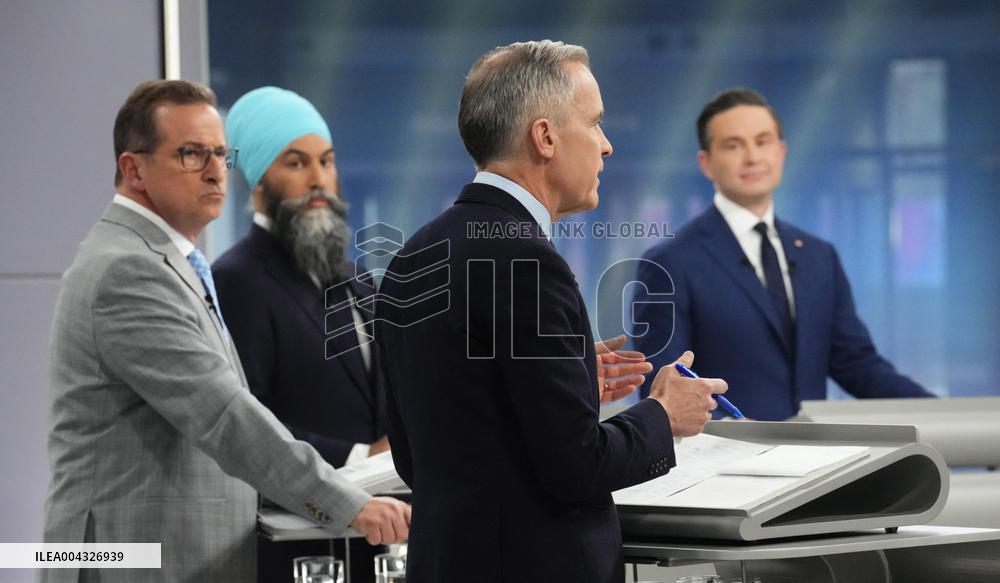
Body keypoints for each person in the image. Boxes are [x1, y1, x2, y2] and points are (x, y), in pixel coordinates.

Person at [374, 41, 727, 583]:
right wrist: (664, 415)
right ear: (545, 137)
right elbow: (577, 466)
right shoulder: (528, 262)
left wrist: (571, 381)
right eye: (595, 123)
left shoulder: (412, 256)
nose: (607, 146)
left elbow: (419, 456)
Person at [41, 80, 409, 583]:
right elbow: (223, 415)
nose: (215, 171)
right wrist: (348, 502)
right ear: (133, 169)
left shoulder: (166, 260)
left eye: (220, 154)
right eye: (191, 154)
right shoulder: (128, 269)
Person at [633, 87, 935, 421]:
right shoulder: (670, 263)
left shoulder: (819, 257)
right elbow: (662, 390)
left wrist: (944, 412)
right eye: (733, 145)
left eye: (762, 142)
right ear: (706, 163)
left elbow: (857, 364)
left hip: (813, 451)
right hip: (724, 451)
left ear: (781, 152)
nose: (752, 157)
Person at [213, 86, 388, 583]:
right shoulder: (237, 280)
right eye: (296, 163)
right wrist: (362, 458)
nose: (318, 180)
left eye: (326, 161)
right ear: (258, 180)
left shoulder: (357, 279)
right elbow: (246, 425)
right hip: (296, 549)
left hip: (379, 539)